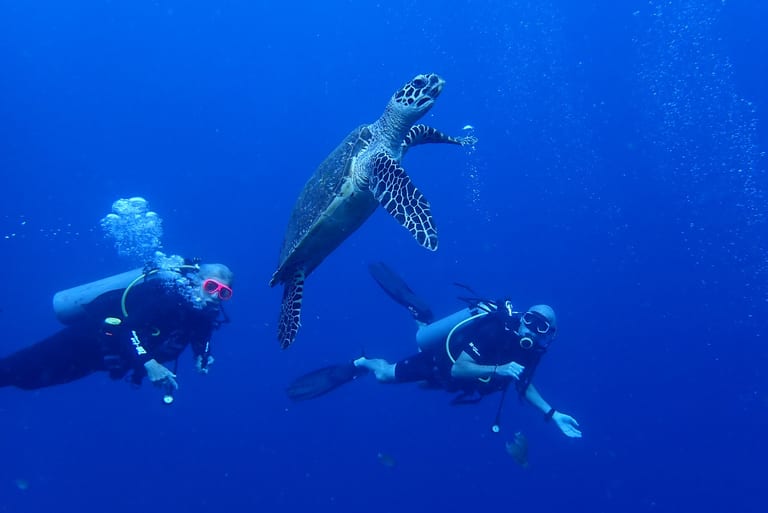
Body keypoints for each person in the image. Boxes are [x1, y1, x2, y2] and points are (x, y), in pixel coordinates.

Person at [287, 262, 581, 439]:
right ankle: (365, 362)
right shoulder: (495, 331)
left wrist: (552, 413)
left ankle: (423, 319)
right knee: (386, 376)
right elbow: (459, 368)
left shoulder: (531, 352)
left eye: (541, 327)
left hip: (457, 382)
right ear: (522, 317)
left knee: (426, 380)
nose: (530, 329)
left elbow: (523, 384)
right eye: (529, 320)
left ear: (549, 336)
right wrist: (499, 369)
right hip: (443, 364)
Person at [0, 260, 234, 402]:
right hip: (83, 340)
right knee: (16, 369)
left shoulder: (202, 315)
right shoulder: (168, 298)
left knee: (30, 381)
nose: (215, 296)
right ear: (195, 281)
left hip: (97, 360)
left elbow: (201, 337)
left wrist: (202, 355)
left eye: (223, 292)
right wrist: (150, 364)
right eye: (211, 286)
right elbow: (127, 329)